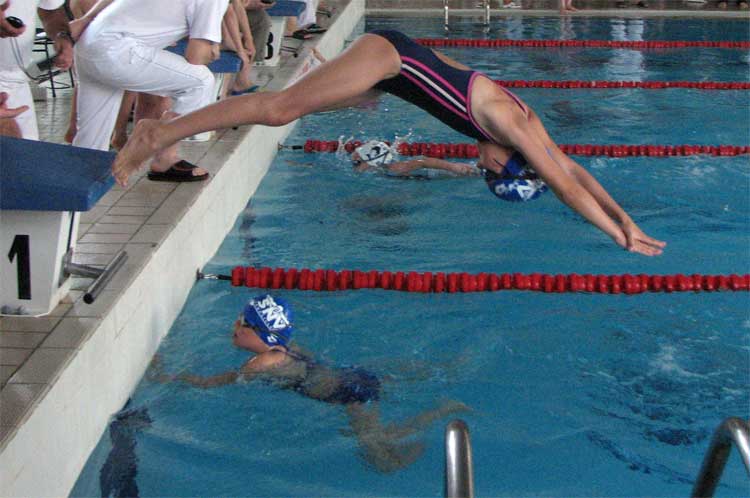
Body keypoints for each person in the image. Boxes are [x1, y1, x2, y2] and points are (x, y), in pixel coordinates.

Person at [113, 29, 666, 256]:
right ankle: (157, 132)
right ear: (510, 164)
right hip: (390, 59)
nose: (482, 165)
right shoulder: (509, 125)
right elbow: (564, 184)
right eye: (492, 172)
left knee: (308, 105)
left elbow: (572, 170)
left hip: (391, 75)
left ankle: (172, 127)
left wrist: (626, 219)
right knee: (280, 111)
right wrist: (614, 234)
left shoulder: (528, 129)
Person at [150, 294, 470, 473]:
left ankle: (438, 420)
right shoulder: (289, 348)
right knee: (379, 437)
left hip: (350, 394)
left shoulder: (260, 364)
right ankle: (440, 410)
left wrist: (167, 377)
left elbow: (210, 383)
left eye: (242, 322)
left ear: (261, 334)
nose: (234, 325)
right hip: (352, 378)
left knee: (381, 460)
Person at [71, 0, 230, 182]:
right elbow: (196, 56)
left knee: (90, 139)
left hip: (90, 40)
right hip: (117, 51)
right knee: (201, 81)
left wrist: (87, 19)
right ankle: (164, 158)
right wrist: (212, 50)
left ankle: (76, 183)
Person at [0, 0, 74, 140]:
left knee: (28, 148)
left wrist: (62, 36)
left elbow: (50, 11)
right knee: (11, 145)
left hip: (19, 80)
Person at [351, 139, 481, 178]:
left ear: (373, 162)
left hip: (435, 174)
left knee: (472, 173)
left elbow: (422, 161)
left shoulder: (396, 168)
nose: (355, 166)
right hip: (423, 176)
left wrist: (453, 167)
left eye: (357, 163)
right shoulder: (382, 169)